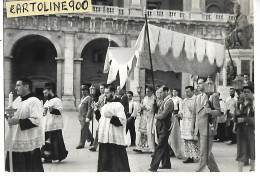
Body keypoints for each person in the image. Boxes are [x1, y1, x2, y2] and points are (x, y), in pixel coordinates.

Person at [5, 78, 44, 172]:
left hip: (28, 143)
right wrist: (7, 116)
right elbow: (13, 114)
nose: (15, 88)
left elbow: (36, 120)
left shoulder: (34, 101)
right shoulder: (18, 100)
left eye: (18, 85)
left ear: (26, 86)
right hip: (15, 140)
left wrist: (17, 121)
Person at [97, 85, 130, 172]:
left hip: (114, 139)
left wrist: (111, 117)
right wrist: (96, 110)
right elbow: (101, 120)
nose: (105, 95)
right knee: (104, 162)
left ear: (113, 93)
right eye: (105, 93)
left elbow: (122, 121)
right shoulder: (104, 106)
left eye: (107, 93)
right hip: (105, 138)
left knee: (116, 163)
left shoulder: (119, 105)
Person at [194, 78, 221, 172]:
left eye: (200, 83)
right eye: (197, 83)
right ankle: (215, 171)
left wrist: (211, 111)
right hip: (199, 129)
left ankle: (198, 171)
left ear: (206, 84)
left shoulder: (213, 96)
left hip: (208, 128)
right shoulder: (197, 97)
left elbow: (218, 112)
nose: (198, 85)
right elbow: (196, 113)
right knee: (206, 152)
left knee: (203, 153)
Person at [149, 86, 173, 172]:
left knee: (160, 146)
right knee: (164, 145)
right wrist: (154, 102)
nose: (160, 94)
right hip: (160, 125)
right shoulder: (162, 101)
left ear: (166, 91)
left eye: (161, 92)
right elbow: (154, 110)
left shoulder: (169, 102)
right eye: (159, 93)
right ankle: (166, 164)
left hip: (165, 125)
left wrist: (156, 116)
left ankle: (153, 166)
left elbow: (163, 115)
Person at [41, 86, 68, 163]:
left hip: (54, 125)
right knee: (47, 142)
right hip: (47, 125)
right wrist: (44, 111)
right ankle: (47, 157)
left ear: (50, 91)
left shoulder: (57, 100)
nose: (45, 95)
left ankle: (57, 156)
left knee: (55, 142)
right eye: (44, 94)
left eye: (46, 93)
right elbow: (44, 113)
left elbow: (60, 111)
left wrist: (52, 110)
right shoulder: (47, 101)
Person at [233, 86, 255, 172]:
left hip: (251, 130)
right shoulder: (239, 103)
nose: (246, 93)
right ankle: (240, 171)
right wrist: (234, 126)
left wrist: (245, 119)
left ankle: (252, 169)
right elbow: (235, 116)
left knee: (252, 149)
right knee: (241, 150)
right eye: (244, 91)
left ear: (252, 93)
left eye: (248, 91)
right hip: (241, 130)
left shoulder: (254, 104)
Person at [177, 86, 198, 163]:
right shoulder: (185, 100)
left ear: (193, 91)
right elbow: (182, 110)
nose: (186, 93)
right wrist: (180, 114)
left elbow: (198, 111)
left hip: (192, 122)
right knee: (186, 140)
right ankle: (189, 156)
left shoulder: (196, 99)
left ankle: (194, 156)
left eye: (188, 92)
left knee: (192, 140)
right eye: (185, 92)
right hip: (185, 122)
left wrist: (192, 109)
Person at [133, 86, 156, 153]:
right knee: (142, 132)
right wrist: (141, 108)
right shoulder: (145, 98)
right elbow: (140, 105)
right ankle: (140, 148)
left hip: (150, 117)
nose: (147, 93)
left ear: (152, 92)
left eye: (148, 91)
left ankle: (151, 148)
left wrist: (146, 108)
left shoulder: (154, 99)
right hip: (144, 117)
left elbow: (153, 109)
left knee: (150, 133)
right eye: (146, 91)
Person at [76, 85, 94, 149]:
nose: (82, 91)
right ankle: (92, 139)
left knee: (83, 130)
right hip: (80, 116)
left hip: (85, 117)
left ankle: (81, 143)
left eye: (84, 90)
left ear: (87, 90)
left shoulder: (89, 98)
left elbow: (89, 108)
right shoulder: (82, 98)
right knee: (86, 129)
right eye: (82, 90)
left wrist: (88, 117)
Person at [89, 83, 106, 152]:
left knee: (100, 131)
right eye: (100, 88)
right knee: (98, 131)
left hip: (104, 115)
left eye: (102, 88)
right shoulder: (100, 96)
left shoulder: (106, 96)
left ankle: (96, 146)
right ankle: (94, 146)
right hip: (101, 116)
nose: (101, 90)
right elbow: (99, 104)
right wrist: (95, 104)